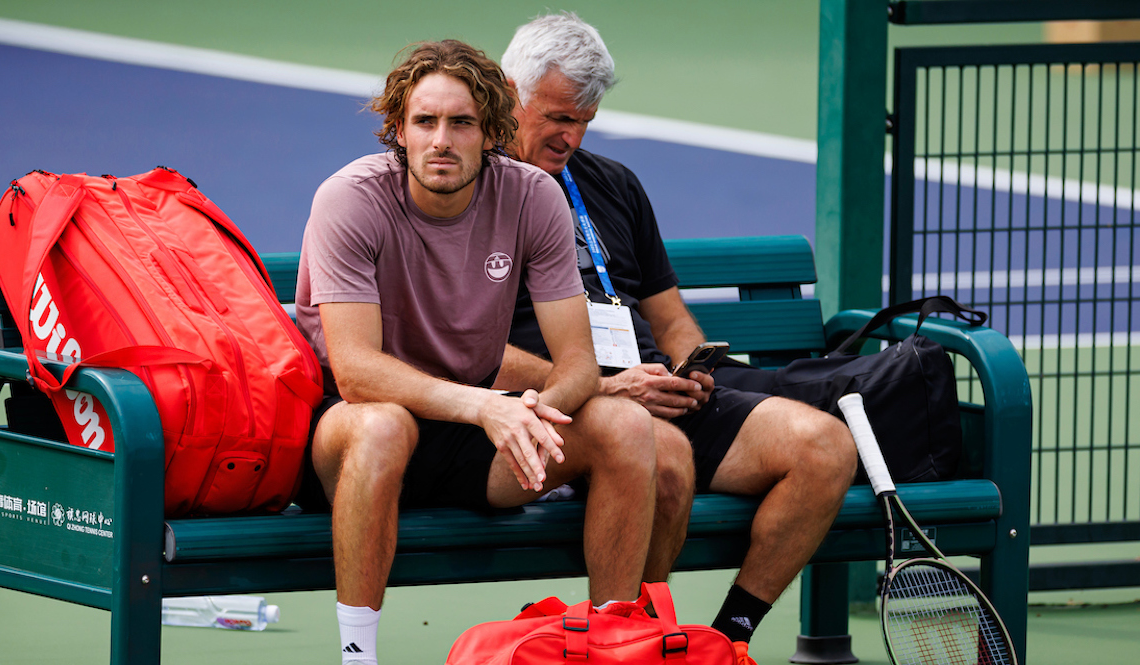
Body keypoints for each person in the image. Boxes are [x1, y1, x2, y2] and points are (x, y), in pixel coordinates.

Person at [294, 39, 689, 665]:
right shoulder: (350, 200)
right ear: (398, 129)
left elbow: (578, 365)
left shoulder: (532, 196)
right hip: (348, 433)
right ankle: (357, 656)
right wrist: (487, 407)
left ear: (492, 132)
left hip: (475, 439)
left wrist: (535, 413)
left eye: (462, 123)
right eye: (424, 121)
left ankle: (613, 647)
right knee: (383, 427)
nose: (441, 140)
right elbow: (357, 372)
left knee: (623, 423)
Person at [500, 12, 859, 660]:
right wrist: (611, 387)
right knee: (660, 454)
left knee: (825, 447)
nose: (570, 136)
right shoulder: (475, 194)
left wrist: (689, 365)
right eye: (556, 116)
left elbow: (668, 315)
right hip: (565, 410)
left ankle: (726, 641)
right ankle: (639, 645)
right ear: (509, 92)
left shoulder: (613, 183)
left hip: (652, 389)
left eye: (584, 119)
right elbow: (466, 349)